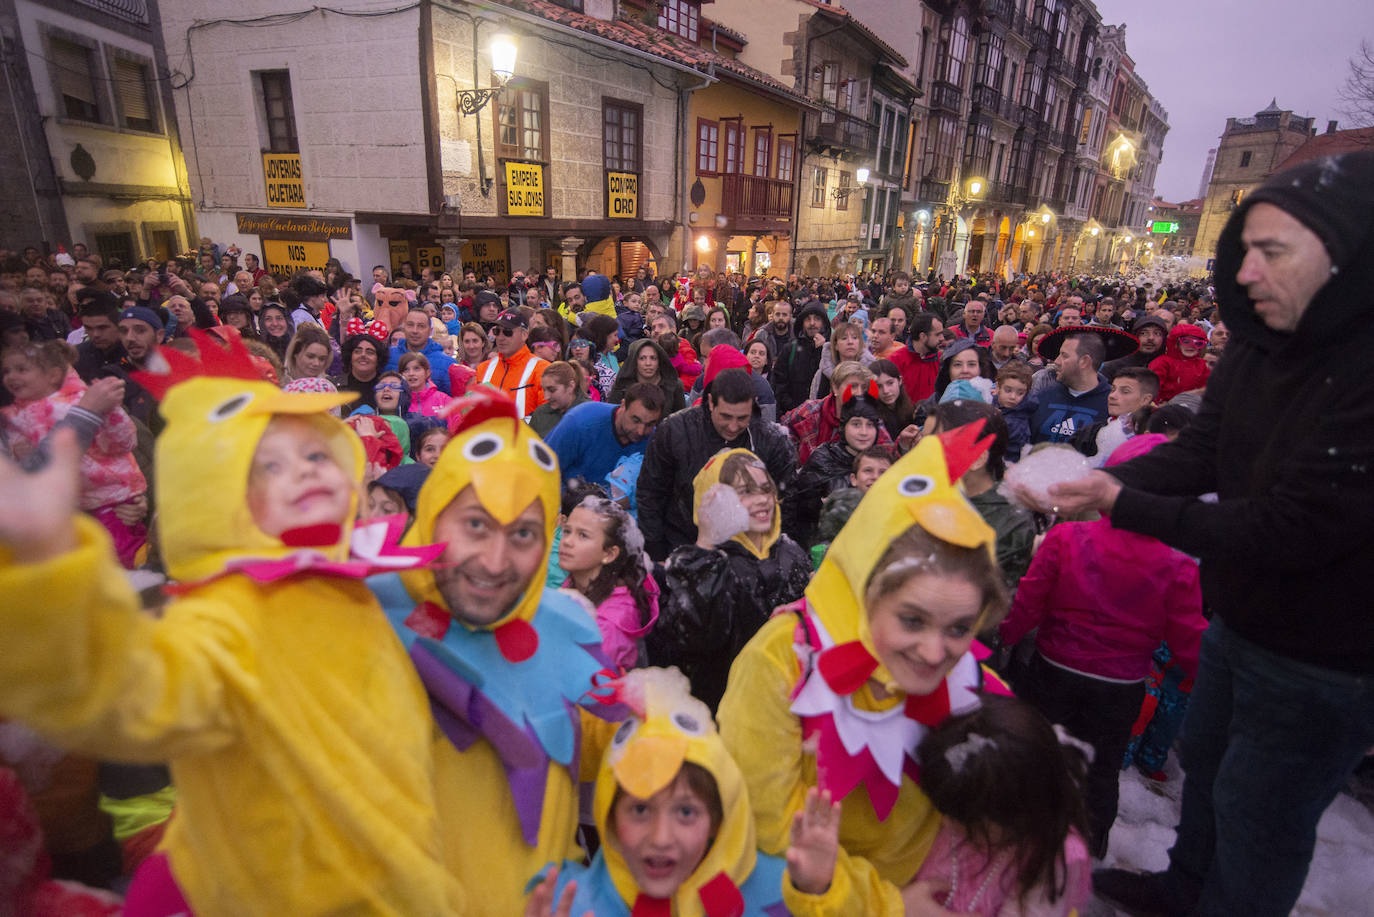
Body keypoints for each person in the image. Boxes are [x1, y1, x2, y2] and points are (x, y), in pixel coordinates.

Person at [0, 328, 462, 915]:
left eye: (316, 452)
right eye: (267, 464)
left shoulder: (338, 585)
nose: (304, 471)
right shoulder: (223, 614)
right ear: (214, 492)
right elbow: (136, 693)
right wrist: (49, 576)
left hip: (396, 881)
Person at [1049, 153, 1374, 917]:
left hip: (1324, 655)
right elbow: (1201, 450)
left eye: (1275, 251)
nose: (1250, 271)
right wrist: (1109, 481)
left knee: (1262, 815)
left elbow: (1292, 526)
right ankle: (1184, 884)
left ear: (1346, 251)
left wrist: (1120, 506)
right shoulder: (1260, 345)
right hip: (1242, 618)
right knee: (1209, 763)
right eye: (1245, 250)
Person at [717, 427, 1012, 915]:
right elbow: (769, 829)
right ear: (862, 585)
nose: (936, 652)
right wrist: (887, 905)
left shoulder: (977, 681)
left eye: (961, 626)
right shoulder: (781, 660)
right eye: (912, 620)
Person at [366, 388, 625, 916]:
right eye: (476, 525)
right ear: (436, 515)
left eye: (524, 533)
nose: (494, 561)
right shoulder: (364, 621)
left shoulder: (569, 626)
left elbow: (631, 754)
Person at [1002, 433, 1205, 859]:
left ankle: (1023, 836)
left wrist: (1000, 639)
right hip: (1122, 684)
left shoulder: (1067, 539)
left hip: (1054, 669)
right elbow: (1188, 638)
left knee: (1042, 753)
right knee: (1101, 769)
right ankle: (1089, 850)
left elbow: (1028, 602)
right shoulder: (1178, 564)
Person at [526, 668, 799, 917]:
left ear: (717, 820)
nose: (661, 838)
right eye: (641, 810)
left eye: (685, 812)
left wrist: (819, 892)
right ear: (608, 819)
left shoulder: (787, 895)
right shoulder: (564, 906)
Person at [648, 449, 810, 711]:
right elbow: (690, 640)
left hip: (785, 703)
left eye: (765, 488)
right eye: (744, 492)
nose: (761, 500)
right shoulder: (699, 564)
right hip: (724, 708)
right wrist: (706, 546)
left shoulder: (790, 551)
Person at [910, 694, 1093, 916]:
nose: (945, 822)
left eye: (964, 819)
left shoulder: (1049, 859)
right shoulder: (963, 797)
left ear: (1016, 815)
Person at [1, 341, 148, 567]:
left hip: (109, 497)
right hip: (70, 510)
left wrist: (111, 411)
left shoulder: (79, 401)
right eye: (6, 371)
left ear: (52, 375)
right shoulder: (15, 417)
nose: (11, 377)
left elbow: (125, 442)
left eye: (22, 369)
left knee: (122, 553)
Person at [637, 366, 797, 561]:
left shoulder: (770, 440)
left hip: (747, 553)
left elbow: (786, 500)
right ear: (711, 402)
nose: (732, 426)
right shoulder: (675, 431)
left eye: (742, 418)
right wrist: (656, 552)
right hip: (683, 544)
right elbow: (651, 492)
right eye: (726, 416)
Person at [556, 494, 659, 670]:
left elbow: (578, 684)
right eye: (567, 531)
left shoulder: (609, 626)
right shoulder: (578, 582)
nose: (567, 542)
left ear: (609, 554)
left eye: (583, 535)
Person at [783, 382, 883, 546]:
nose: (864, 432)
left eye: (870, 425)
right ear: (844, 427)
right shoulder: (823, 460)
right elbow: (798, 515)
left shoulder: (882, 463)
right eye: (856, 424)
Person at [1028, 326, 1136, 445]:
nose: (1056, 361)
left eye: (1064, 355)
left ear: (1084, 361)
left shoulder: (1113, 405)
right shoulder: (1042, 397)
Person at [546, 382, 664, 485]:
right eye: (635, 420)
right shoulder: (580, 423)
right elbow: (542, 470)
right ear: (623, 405)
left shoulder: (652, 439)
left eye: (650, 424)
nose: (641, 431)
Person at [474, 310, 548, 418]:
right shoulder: (483, 369)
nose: (501, 337)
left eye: (508, 332)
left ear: (524, 335)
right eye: (497, 331)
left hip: (524, 434)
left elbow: (546, 418)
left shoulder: (541, 369)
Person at [772, 300, 831, 415]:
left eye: (817, 319)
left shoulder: (831, 351)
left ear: (823, 323)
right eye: (808, 319)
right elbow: (779, 383)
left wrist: (821, 350)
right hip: (793, 414)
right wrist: (793, 408)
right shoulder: (790, 349)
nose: (812, 323)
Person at [386, 306, 457, 394]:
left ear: (430, 331)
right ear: (404, 327)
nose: (415, 330)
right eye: (410, 325)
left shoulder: (447, 363)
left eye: (421, 326)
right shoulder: (388, 356)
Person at [606, 338, 685, 415]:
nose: (648, 363)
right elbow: (613, 417)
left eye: (653, 358)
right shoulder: (622, 384)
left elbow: (680, 421)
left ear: (659, 361)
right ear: (634, 361)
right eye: (642, 358)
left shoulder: (674, 385)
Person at [1148, 323, 1211, 403]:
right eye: (1186, 341)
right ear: (1176, 343)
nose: (1192, 346)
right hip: (1163, 409)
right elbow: (1153, 389)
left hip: (1192, 408)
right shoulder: (1162, 362)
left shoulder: (1202, 365)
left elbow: (1207, 389)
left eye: (1198, 343)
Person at [888, 312, 944, 403]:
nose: (942, 338)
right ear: (923, 336)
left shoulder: (942, 360)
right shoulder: (895, 360)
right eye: (937, 334)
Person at [528, 360, 589, 438]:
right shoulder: (540, 414)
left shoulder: (588, 413)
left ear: (571, 386)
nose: (546, 397)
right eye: (544, 390)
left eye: (552, 390)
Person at [1101, 314, 1167, 381]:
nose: (1151, 338)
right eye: (1143, 333)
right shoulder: (1113, 368)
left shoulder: (1170, 367)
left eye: (1157, 333)